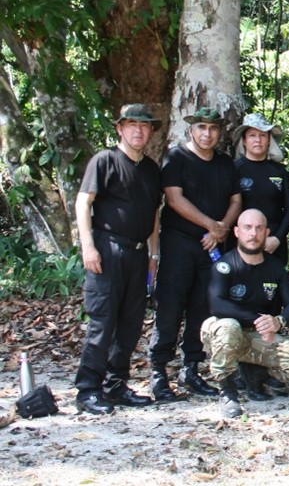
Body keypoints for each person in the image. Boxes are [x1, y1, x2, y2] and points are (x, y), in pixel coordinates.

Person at [73, 104, 163, 415]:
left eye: (144, 125)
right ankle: (88, 390)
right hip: (108, 249)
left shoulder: (151, 169)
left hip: (139, 255)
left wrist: (153, 254)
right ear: (120, 129)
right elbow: (84, 203)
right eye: (131, 124)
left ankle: (115, 385)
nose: (138, 130)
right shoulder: (105, 160)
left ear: (151, 131)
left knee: (130, 322)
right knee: (103, 320)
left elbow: (153, 213)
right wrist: (88, 246)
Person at [150, 107, 242, 402]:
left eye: (213, 128)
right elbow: (174, 199)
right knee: (170, 306)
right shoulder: (176, 158)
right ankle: (158, 372)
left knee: (202, 307)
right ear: (191, 130)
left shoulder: (225, 163)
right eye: (201, 127)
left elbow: (236, 199)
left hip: (214, 246)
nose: (207, 133)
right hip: (181, 243)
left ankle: (191, 369)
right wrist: (211, 226)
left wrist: (223, 228)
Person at [201, 209, 289, 418]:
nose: (253, 233)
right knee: (229, 327)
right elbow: (216, 304)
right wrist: (257, 320)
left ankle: (259, 373)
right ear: (236, 232)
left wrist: (278, 322)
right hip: (224, 335)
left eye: (259, 228)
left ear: (266, 232)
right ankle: (227, 390)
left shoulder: (278, 269)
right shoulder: (224, 265)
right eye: (247, 228)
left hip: (260, 338)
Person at [233, 113, 289, 267]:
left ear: (269, 140)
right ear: (244, 140)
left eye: (262, 135)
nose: (258, 140)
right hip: (242, 242)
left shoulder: (281, 172)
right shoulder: (233, 170)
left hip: (273, 242)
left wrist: (278, 238)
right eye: (252, 135)